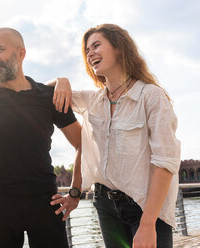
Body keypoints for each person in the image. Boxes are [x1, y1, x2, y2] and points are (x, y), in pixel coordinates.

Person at [0, 27, 82, 248]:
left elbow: (81, 143)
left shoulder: (49, 97)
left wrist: (75, 191)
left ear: (21, 53)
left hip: (46, 202)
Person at [51, 24, 181, 248]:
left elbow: (165, 163)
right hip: (105, 205)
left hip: (144, 208)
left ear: (119, 48)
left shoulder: (150, 96)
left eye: (96, 45)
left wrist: (148, 223)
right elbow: (43, 93)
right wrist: (61, 80)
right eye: (87, 50)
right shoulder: (93, 100)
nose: (90, 53)